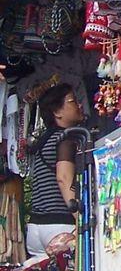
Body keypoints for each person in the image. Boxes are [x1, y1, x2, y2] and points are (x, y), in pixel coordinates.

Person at [27, 83, 84, 260]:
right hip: (59, 225)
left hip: (36, 228)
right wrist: (79, 216)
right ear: (57, 112)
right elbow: (64, 178)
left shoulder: (44, 141)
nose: (79, 105)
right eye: (72, 101)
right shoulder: (66, 138)